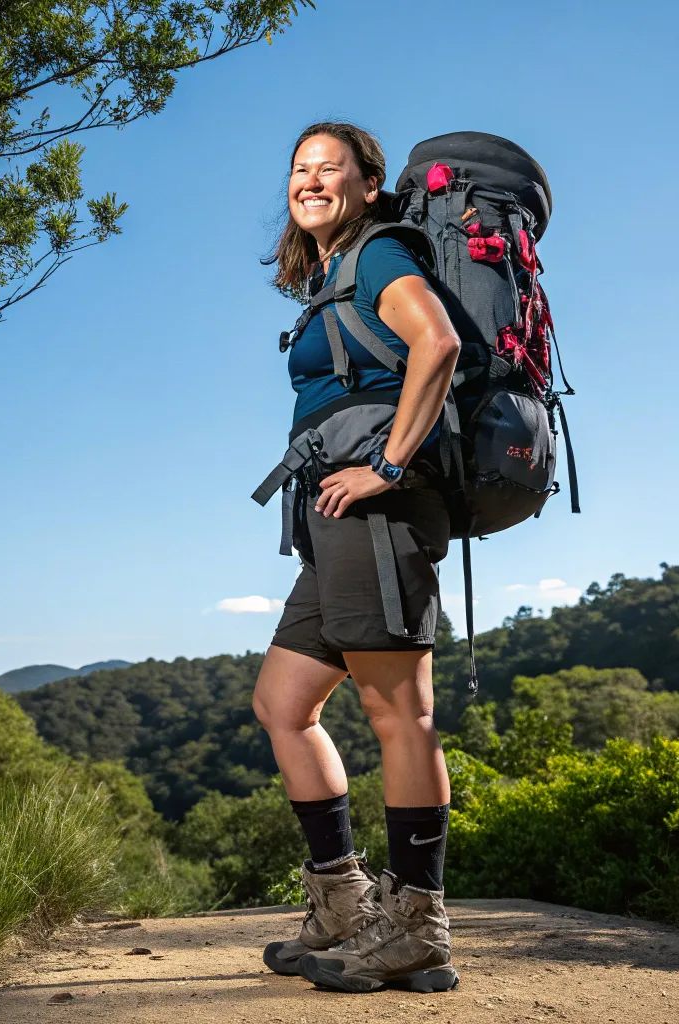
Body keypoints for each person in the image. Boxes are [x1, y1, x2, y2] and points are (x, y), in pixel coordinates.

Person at [253, 122, 462, 993]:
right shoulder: (331, 274)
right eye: (298, 168)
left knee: (398, 712)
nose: (309, 181)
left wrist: (386, 465)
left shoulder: (378, 254)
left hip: (380, 512)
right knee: (282, 703)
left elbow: (439, 343)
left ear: (368, 186)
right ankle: (345, 906)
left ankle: (417, 926)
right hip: (334, 519)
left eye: (327, 169)